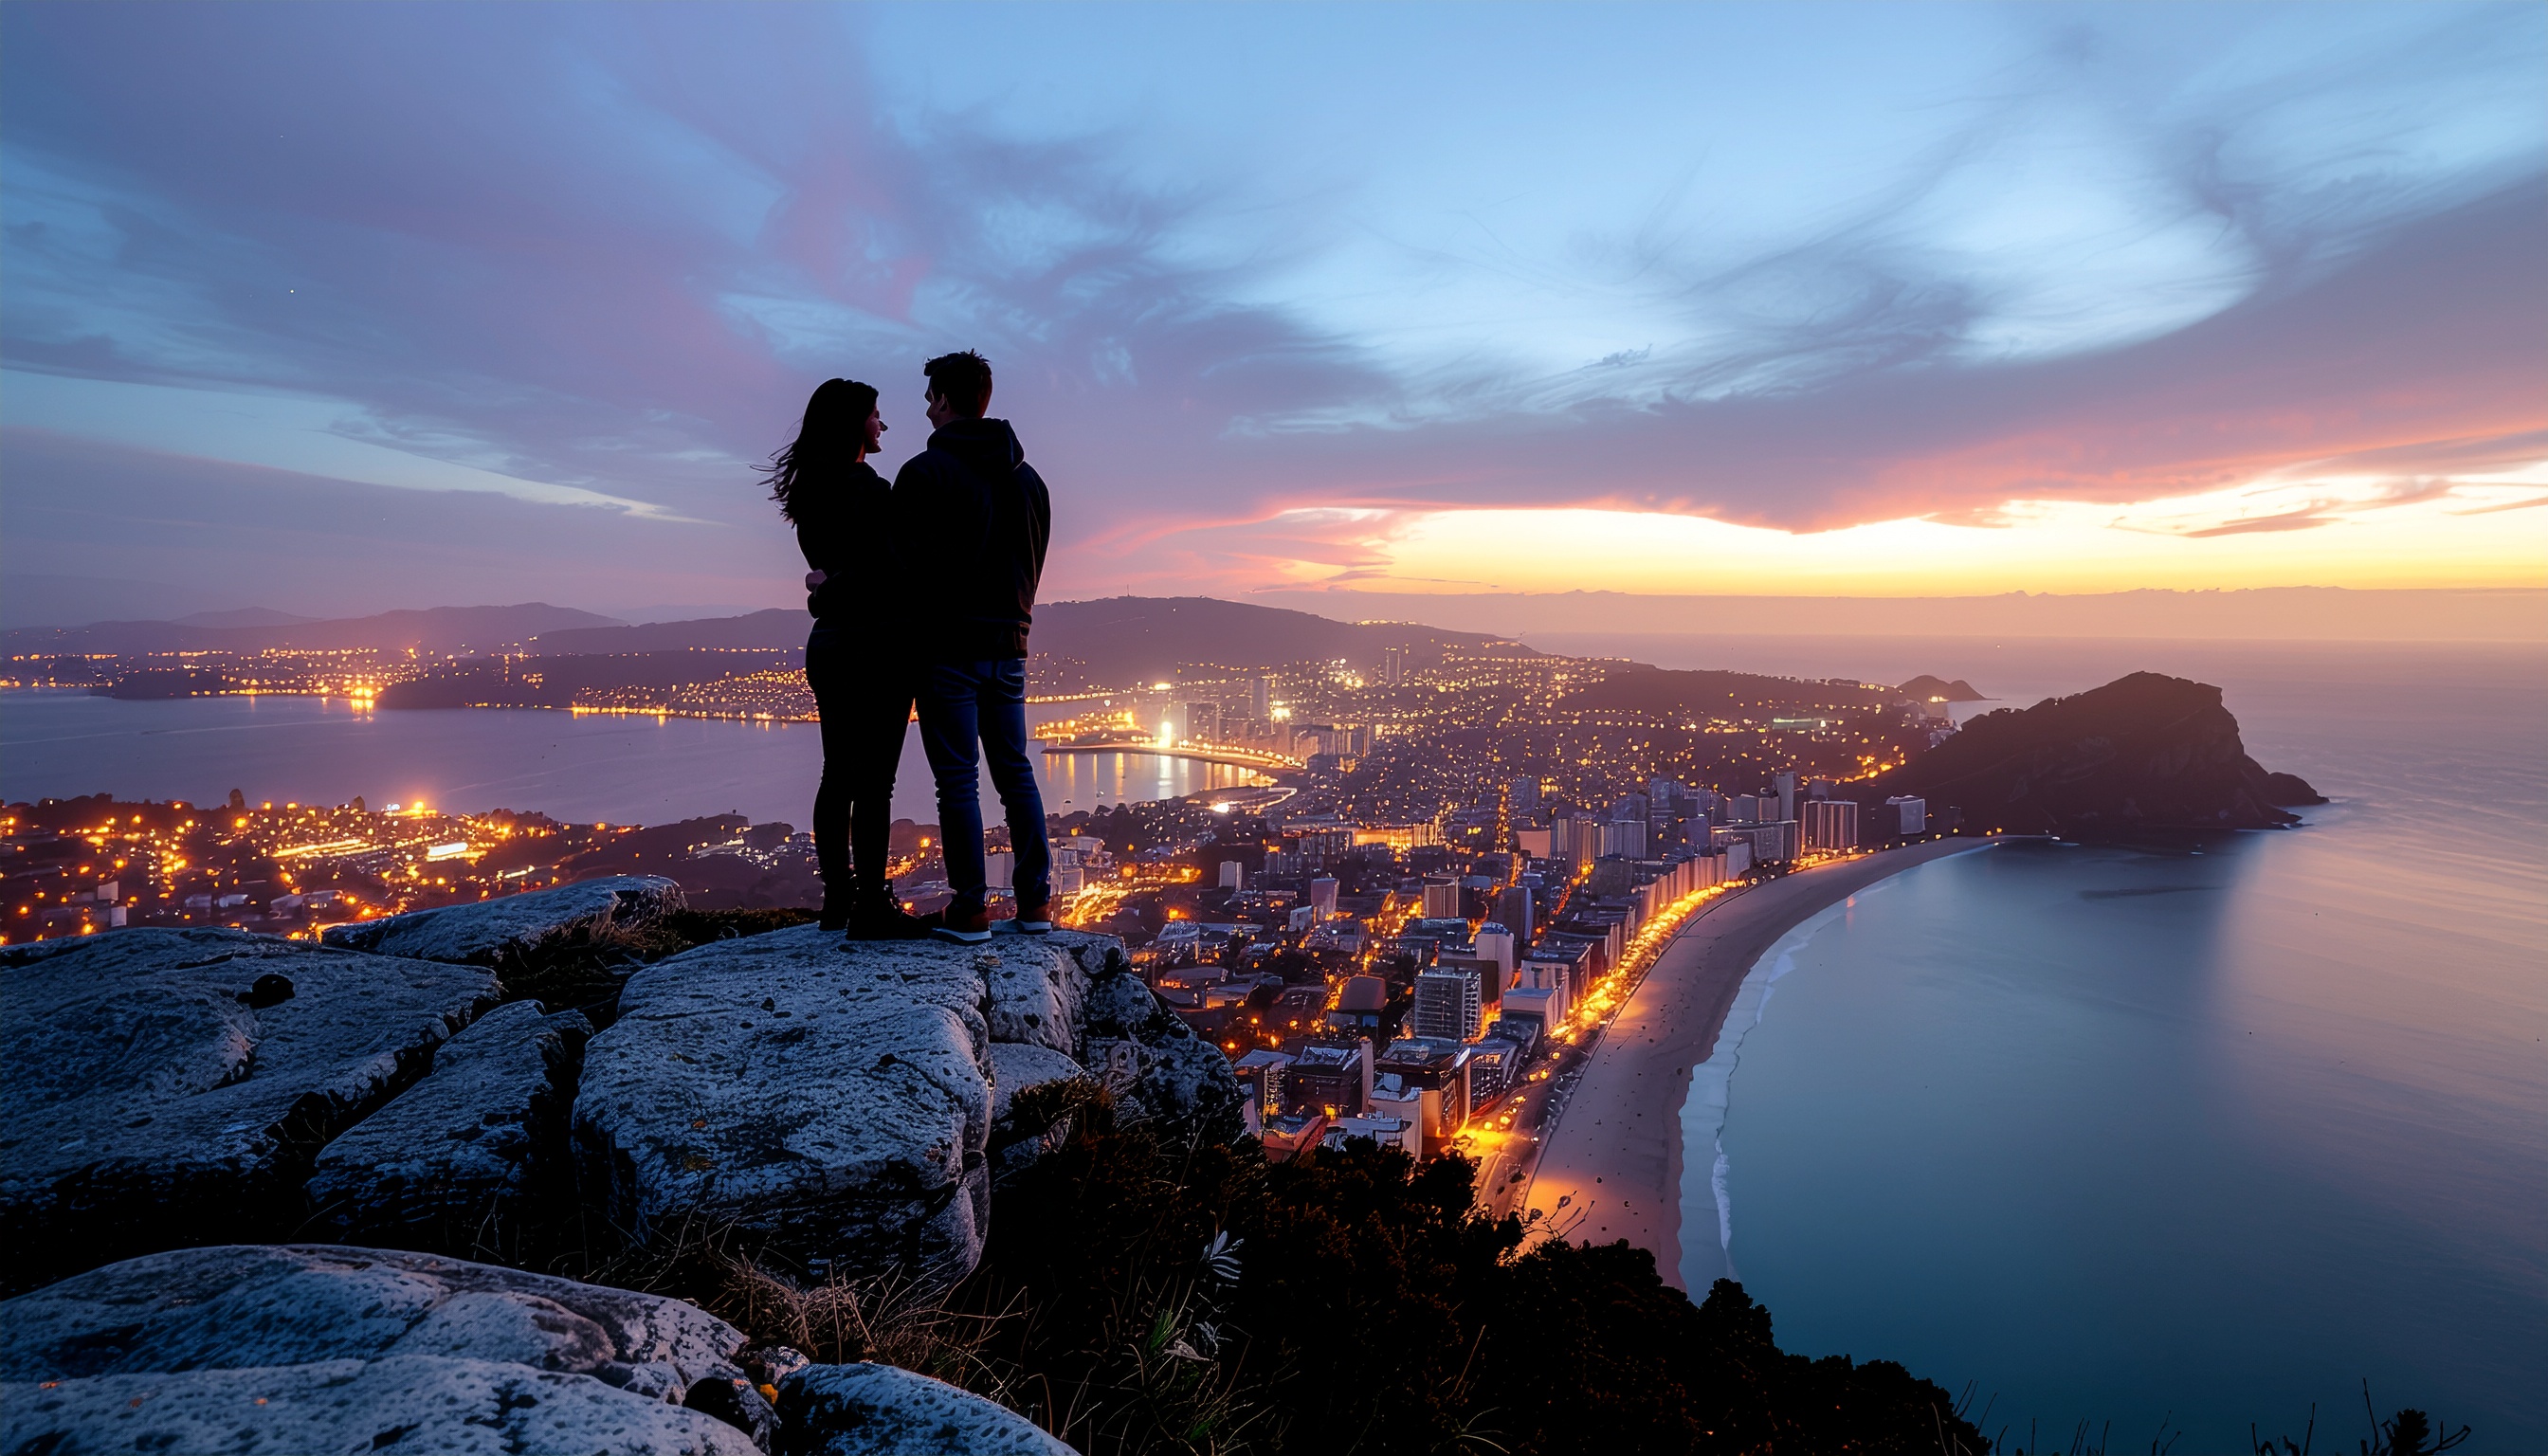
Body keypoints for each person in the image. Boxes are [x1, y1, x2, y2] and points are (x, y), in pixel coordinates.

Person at [890, 350, 1054, 943]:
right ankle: (1036, 903)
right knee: (1016, 771)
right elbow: (1033, 565)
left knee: (957, 779)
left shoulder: (923, 474)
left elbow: (901, 569)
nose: (926, 408)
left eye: (929, 397)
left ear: (941, 400)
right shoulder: (1030, 481)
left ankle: (970, 908)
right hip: (1011, 645)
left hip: (947, 651)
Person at [768, 377, 926, 937]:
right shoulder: (867, 489)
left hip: (831, 645)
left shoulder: (810, 492)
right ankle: (872, 908)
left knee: (837, 775)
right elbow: (894, 572)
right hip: (877, 647)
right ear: (854, 422)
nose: (882, 424)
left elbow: (840, 572)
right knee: (875, 783)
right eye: (876, 414)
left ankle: (838, 900)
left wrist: (826, 586)